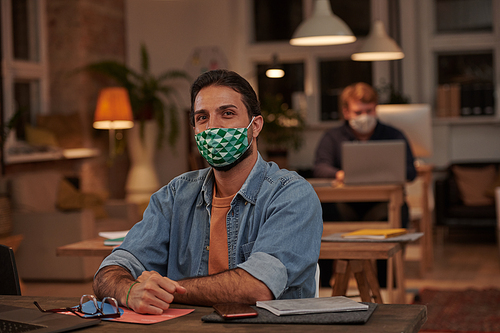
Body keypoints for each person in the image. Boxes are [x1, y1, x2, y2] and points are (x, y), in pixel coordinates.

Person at [93, 69, 323, 314]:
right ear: (194, 129)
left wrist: (166, 290)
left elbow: (258, 287)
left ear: (255, 126)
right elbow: (109, 272)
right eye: (202, 117)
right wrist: (129, 291)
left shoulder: (291, 194)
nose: (213, 127)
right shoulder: (174, 195)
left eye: (227, 114)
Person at [313, 82, 416, 287]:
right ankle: (323, 287)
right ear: (346, 111)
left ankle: (389, 287)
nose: (365, 116)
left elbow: (410, 171)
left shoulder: (394, 135)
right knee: (320, 215)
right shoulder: (331, 137)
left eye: (369, 110)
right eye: (358, 111)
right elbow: (320, 167)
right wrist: (339, 174)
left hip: (382, 205)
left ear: (376, 108)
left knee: (400, 212)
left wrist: (390, 173)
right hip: (345, 206)